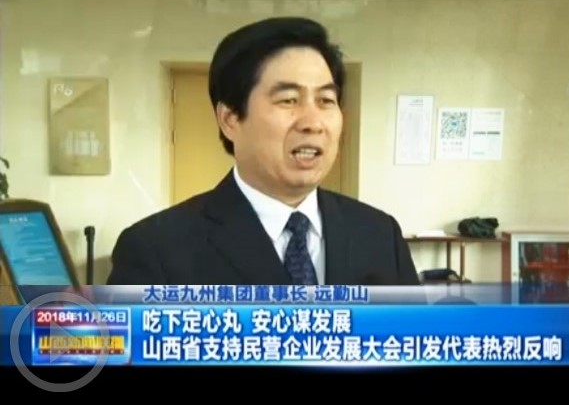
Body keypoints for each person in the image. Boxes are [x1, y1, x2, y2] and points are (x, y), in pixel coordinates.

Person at [107, 16, 419, 286]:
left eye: (326, 100)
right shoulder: (156, 250)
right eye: (288, 100)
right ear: (230, 119)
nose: (313, 123)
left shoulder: (381, 235)